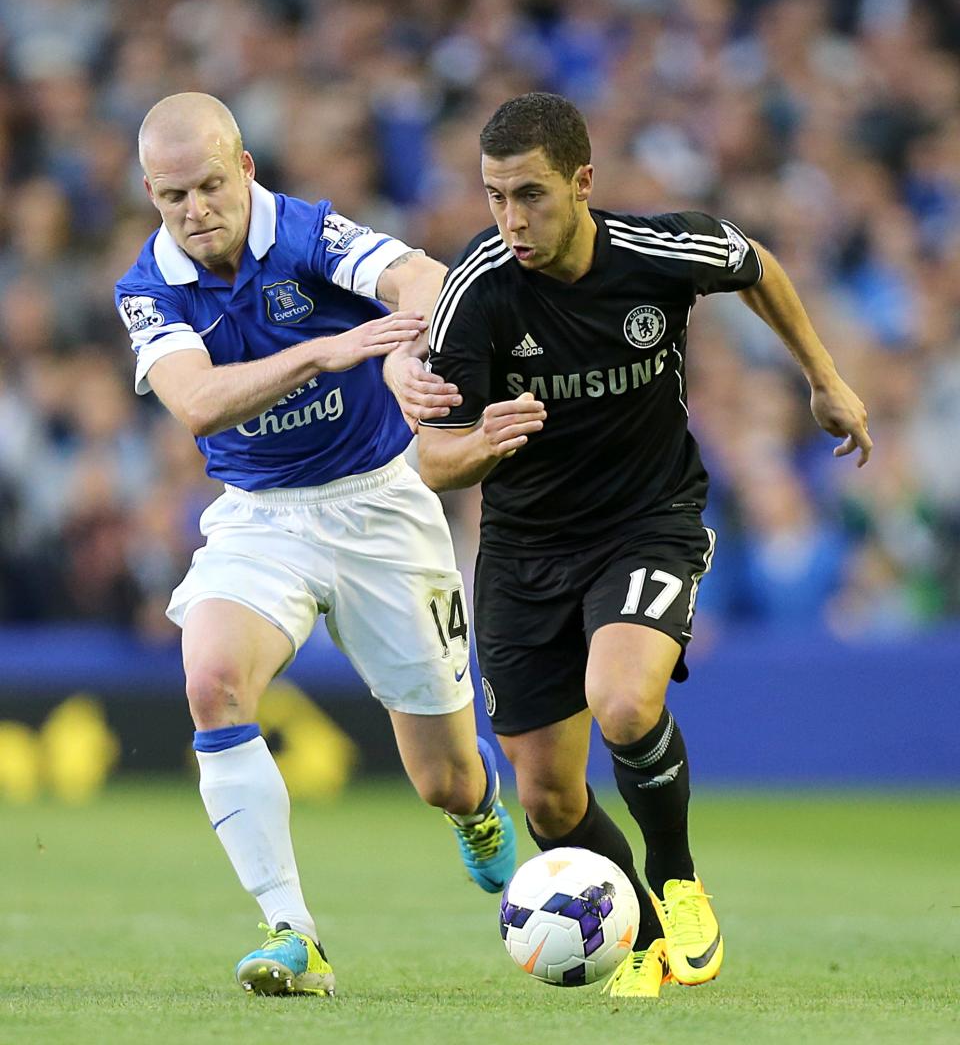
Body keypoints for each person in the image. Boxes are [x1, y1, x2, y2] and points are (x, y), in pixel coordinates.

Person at [417, 92, 872, 999]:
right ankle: (648, 937)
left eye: (531, 195)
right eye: (495, 197)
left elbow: (756, 265)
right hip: (523, 550)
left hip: (648, 521)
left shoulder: (659, 251)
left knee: (622, 704)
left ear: (583, 183)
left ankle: (676, 877)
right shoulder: (475, 292)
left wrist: (823, 378)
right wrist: (484, 441)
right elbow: (433, 459)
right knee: (547, 797)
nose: (511, 219)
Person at [114, 92, 516, 997]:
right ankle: (291, 934)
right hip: (262, 515)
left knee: (445, 780)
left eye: (210, 185)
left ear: (245, 168)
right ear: (151, 192)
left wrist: (409, 347)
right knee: (211, 680)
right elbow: (197, 403)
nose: (194, 210)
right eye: (172, 196)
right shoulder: (148, 286)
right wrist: (326, 354)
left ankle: (481, 806)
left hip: (381, 504)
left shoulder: (311, 235)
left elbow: (423, 275)